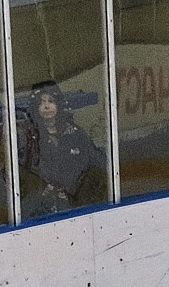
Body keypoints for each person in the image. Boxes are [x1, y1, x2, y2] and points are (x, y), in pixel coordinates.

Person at [21, 81, 106, 215]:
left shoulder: (75, 132)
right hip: (42, 208)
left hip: (76, 202)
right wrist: (45, 189)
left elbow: (97, 161)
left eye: (51, 101)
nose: (47, 106)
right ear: (36, 107)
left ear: (58, 105)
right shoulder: (29, 138)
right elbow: (25, 175)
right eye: (42, 102)